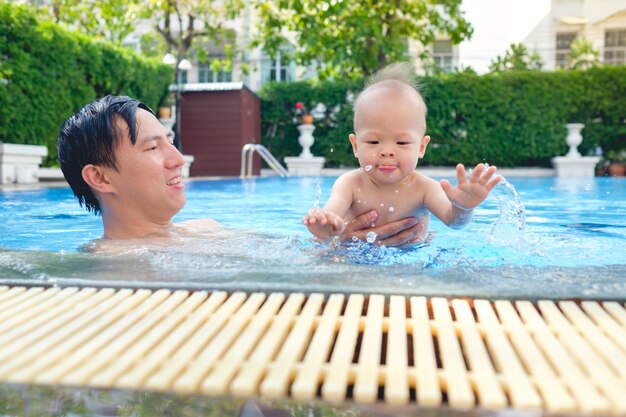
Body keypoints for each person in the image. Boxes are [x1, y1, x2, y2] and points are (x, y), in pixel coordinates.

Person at [57, 95, 423, 245]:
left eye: (170, 141)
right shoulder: (116, 267)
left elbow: (297, 253)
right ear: (100, 178)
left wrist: (343, 241)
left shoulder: (206, 229)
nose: (178, 159)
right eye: (153, 147)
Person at [302, 63, 501, 243]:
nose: (387, 152)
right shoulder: (349, 185)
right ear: (355, 146)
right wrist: (324, 226)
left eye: (402, 142)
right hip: (355, 259)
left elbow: (453, 221)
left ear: (421, 147)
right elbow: (331, 218)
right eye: (373, 141)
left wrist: (464, 208)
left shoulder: (424, 188)